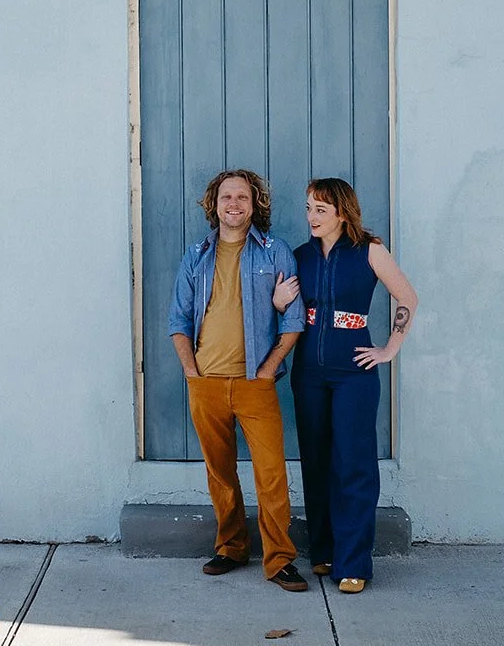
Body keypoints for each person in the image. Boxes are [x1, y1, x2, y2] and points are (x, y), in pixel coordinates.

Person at [168, 169, 310, 592]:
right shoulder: (197, 255)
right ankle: (231, 546)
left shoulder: (274, 253)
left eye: (242, 198)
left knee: (271, 473)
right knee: (220, 472)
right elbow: (178, 319)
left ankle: (280, 559)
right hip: (206, 382)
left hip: (255, 383)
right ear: (214, 203)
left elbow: (295, 319)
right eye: (226, 197)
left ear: (255, 204)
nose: (234, 204)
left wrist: (268, 370)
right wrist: (191, 373)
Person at [278, 178, 417, 594]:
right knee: (316, 461)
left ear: (342, 211)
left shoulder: (369, 249)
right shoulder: (300, 256)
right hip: (309, 374)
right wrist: (280, 303)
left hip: (354, 374)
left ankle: (354, 562)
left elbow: (406, 296)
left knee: (353, 465)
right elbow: (288, 311)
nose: (311, 217)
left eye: (320, 209)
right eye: (308, 208)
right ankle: (323, 552)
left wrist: (389, 349)